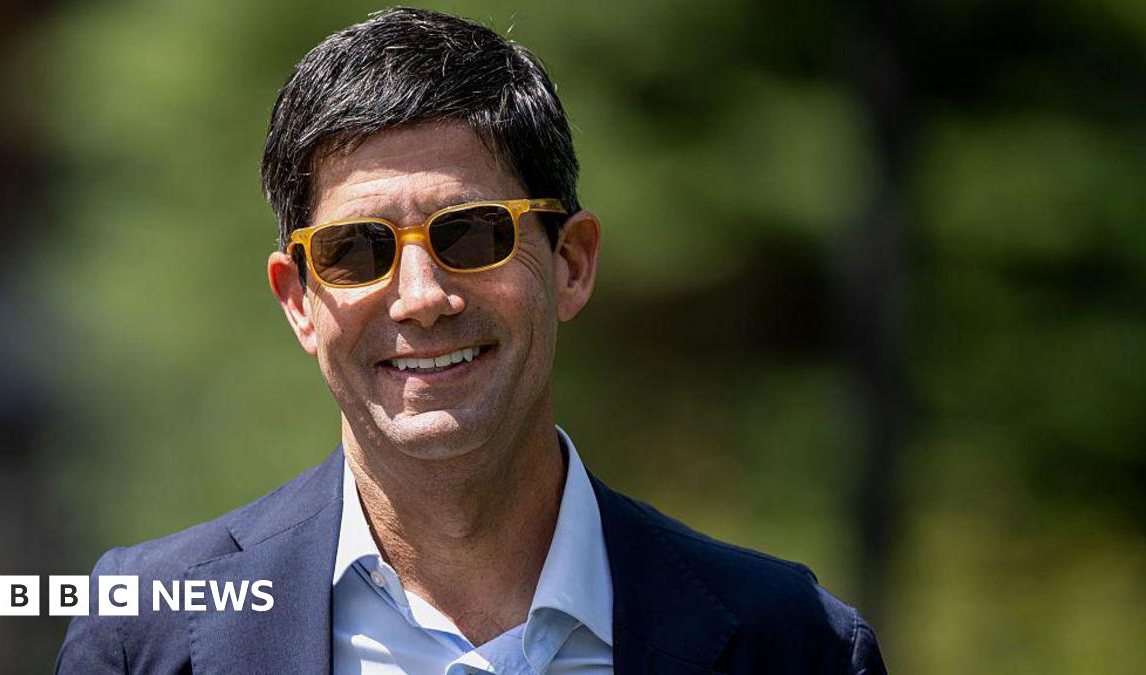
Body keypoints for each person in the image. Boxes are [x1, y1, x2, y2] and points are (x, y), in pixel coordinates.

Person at [55, 7, 886, 674]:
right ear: (298, 301)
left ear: (571, 262)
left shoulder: (797, 644)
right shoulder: (142, 630)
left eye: (473, 234)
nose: (421, 298)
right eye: (356, 252)